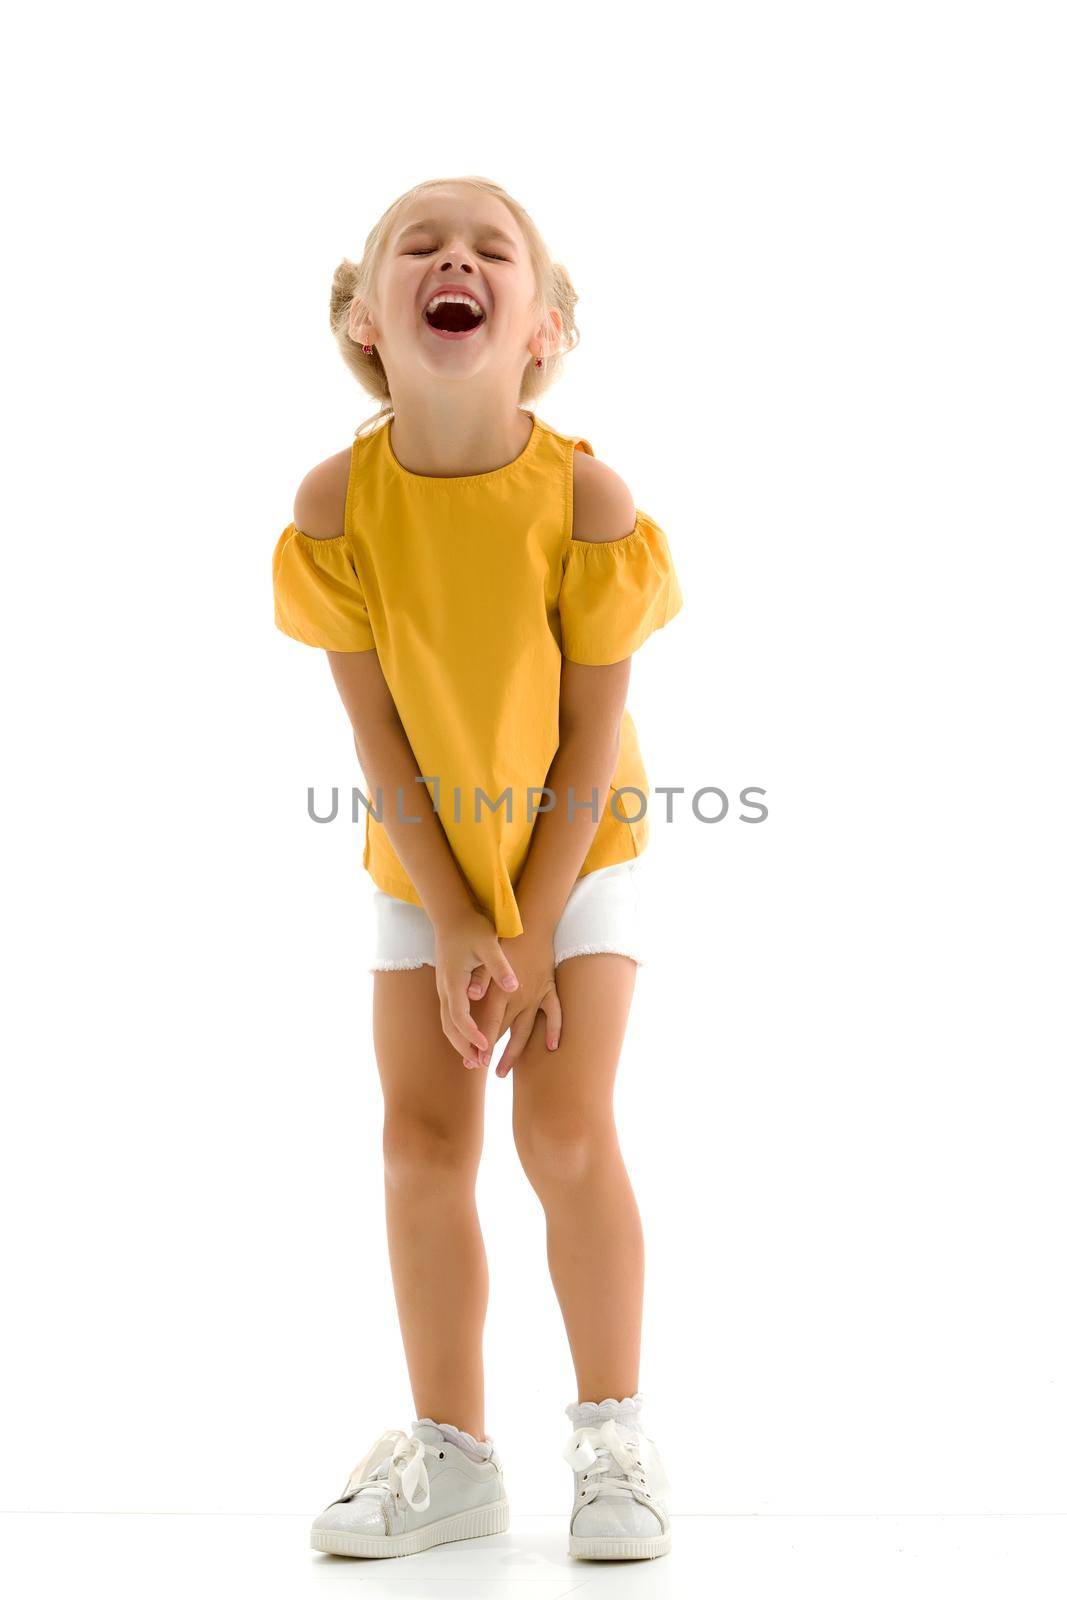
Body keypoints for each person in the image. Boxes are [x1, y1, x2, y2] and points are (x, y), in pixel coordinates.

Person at [272, 176, 683, 1564]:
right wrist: (453, 920)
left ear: (543, 328)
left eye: (489, 249)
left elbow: (592, 729)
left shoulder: (588, 495)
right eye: (421, 249)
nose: (455, 259)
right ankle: (451, 1455)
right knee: (420, 1146)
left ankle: (615, 1436)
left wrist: (532, 923)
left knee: (561, 1133)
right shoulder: (337, 503)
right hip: (425, 869)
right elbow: (374, 731)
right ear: (370, 318)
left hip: (577, 851)